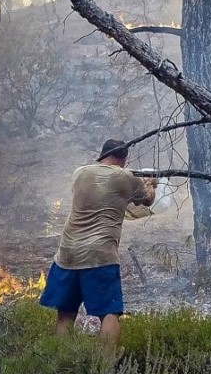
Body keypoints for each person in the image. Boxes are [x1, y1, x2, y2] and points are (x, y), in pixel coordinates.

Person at [38, 139, 156, 350]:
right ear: (124, 159)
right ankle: (104, 367)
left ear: (102, 155)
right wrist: (151, 183)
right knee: (109, 314)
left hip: (67, 254)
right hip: (100, 256)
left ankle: (62, 364)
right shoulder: (127, 177)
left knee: (65, 314)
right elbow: (147, 201)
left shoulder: (80, 173)